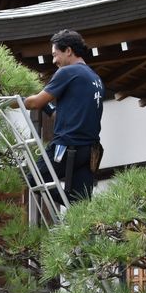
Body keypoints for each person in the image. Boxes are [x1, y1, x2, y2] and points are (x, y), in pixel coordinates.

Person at [23, 29, 104, 203]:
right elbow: (64, 115)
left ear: (68, 50)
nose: (54, 61)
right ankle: (72, 205)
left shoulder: (68, 72)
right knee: (81, 204)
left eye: (55, 54)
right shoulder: (94, 77)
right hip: (89, 151)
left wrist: (14, 101)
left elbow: (35, 102)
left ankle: (68, 201)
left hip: (66, 147)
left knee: (33, 179)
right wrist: (47, 106)